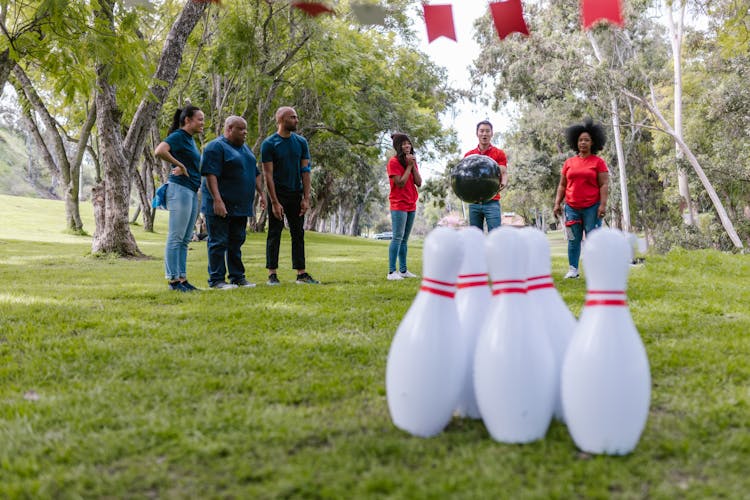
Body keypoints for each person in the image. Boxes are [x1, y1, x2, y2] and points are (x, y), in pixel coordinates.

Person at [201, 116, 265, 289]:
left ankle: (237, 277)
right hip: (221, 204)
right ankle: (217, 280)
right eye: (241, 129)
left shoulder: (246, 149)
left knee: (237, 241)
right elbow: (210, 175)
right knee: (218, 241)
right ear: (229, 129)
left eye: (246, 129)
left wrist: (261, 194)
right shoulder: (216, 146)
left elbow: (255, 173)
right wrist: (217, 200)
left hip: (241, 206)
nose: (245, 132)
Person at [261, 106, 319, 285]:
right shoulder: (269, 144)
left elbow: (305, 170)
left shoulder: (301, 142)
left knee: (298, 233)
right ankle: (272, 275)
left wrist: (306, 197)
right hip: (277, 194)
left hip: (296, 193)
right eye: (292, 117)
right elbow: (267, 175)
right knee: (274, 232)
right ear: (281, 120)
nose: (297, 120)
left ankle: (301, 274)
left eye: (296, 117)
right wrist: (275, 201)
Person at [154, 105, 205, 292]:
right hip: (179, 189)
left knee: (185, 239)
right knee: (176, 237)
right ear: (187, 120)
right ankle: (173, 281)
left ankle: (183, 279)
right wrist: (180, 165)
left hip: (190, 190)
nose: (203, 123)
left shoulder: (190, 140)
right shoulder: (178, 136)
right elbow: (159, 150)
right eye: (199, 119)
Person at [553, 119, 610, 279]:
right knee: (573, 239)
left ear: (593, 143)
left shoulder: (598, 162)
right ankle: (573, 270)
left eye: (586, 140)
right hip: (571, 207)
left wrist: (603, 205)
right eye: (580, 140)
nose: (583, 143)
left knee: (593, 239)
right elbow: (562, 185)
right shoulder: (569, 162)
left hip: (592, 207)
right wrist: (557, 203)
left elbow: (604, 184)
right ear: (575, 143)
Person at [386, 132, 422, 281]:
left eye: (408, 143)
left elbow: (419, 183)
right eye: (403, 144)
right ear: (398, 147)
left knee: (405, 240)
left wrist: (412, 166)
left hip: (411, 204)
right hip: (398, 204)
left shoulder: (412, 161)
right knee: (397, 238)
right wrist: (408, 167)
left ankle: (403, 270)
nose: (407, 146)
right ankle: (391, 272)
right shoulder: (393, 162)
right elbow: (400, 183)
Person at [463, 120, 508, 232]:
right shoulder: (469, 156)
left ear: (492, 133)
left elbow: (503, 172)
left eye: (487, 131)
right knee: (475, 237)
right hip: (474, 203)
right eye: (481, 131)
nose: (484, 134)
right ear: (477, 133)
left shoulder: (499, 153)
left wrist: (504, 181)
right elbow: (464, 177)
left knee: (496, 235)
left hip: (492, 201)